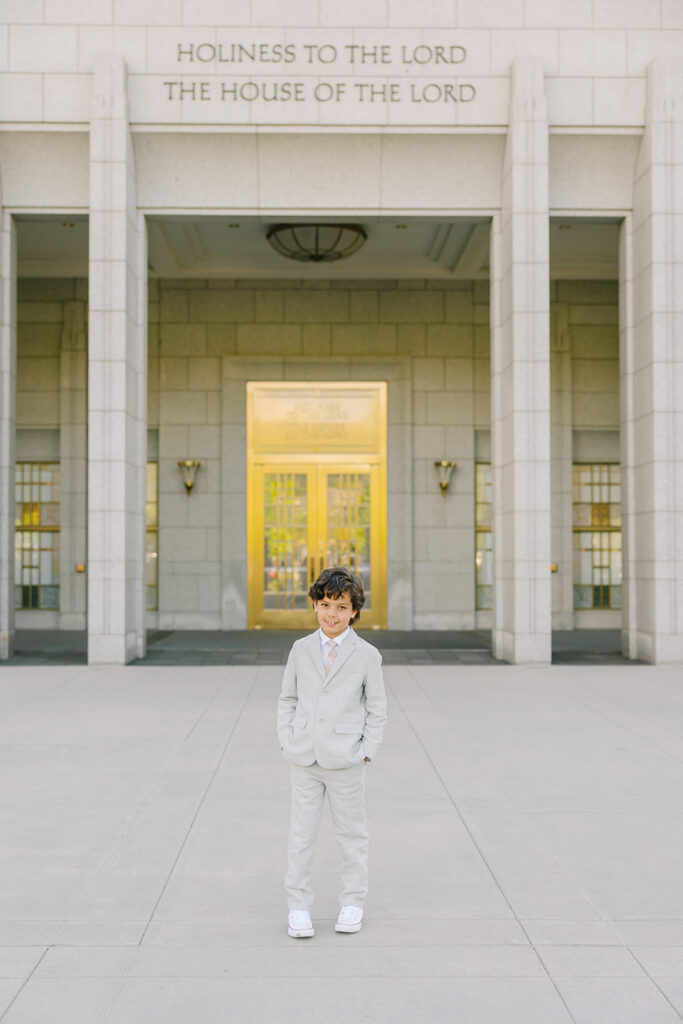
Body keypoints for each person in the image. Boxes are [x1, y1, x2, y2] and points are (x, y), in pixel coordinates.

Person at [277, 566, 387, 938]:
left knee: (352, 835)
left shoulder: (367, 654)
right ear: (314, 605)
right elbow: (287, 698)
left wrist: (366, 751)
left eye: (341, 607)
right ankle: (298, 907)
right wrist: (287, 740)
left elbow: (377, 707)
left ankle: (353, 901)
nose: (332, 614)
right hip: (305, 757)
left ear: (354, 610)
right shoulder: (301, 649)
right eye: (325, 605)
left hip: (346, 758)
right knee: (301, 835)